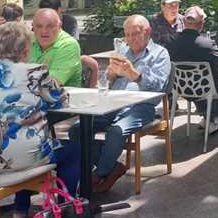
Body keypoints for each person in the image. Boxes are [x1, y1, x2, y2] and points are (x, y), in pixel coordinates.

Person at [0, 22, 81, 218]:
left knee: (22, 141)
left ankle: (20, 208)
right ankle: (66, 211)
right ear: (26, 49)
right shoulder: (35, 72)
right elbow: (59, 100)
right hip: (26, 157)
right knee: (73, 149)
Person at [70, 15, 170, 193]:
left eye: (135, 34)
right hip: (112, 104)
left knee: (116, 131)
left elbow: (159, 87)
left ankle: (99, 173)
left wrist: (136, 75)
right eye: (127, 34)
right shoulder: (122, 51)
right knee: (77, 129)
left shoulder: (160, 54)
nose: (131, 38)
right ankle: (111, 166)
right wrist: (110, 76)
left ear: (147, 32)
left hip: (141, 107)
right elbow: (104, 83)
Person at [165, 6, 218, 134]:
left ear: (183, 22)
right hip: (204, 90)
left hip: (180, 90)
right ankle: (214, 119)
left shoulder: (170, 42)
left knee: (208, 82)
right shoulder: (207, 44)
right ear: (201, 25)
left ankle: (208, 117)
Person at [29, 9, 82, 88]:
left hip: (63, 98)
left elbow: (50, 84)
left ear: (60, 26)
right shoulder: (28, 40)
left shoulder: (69, 46)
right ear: (33, 26)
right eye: (39, 26)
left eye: (50, 26)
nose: (44, 31)